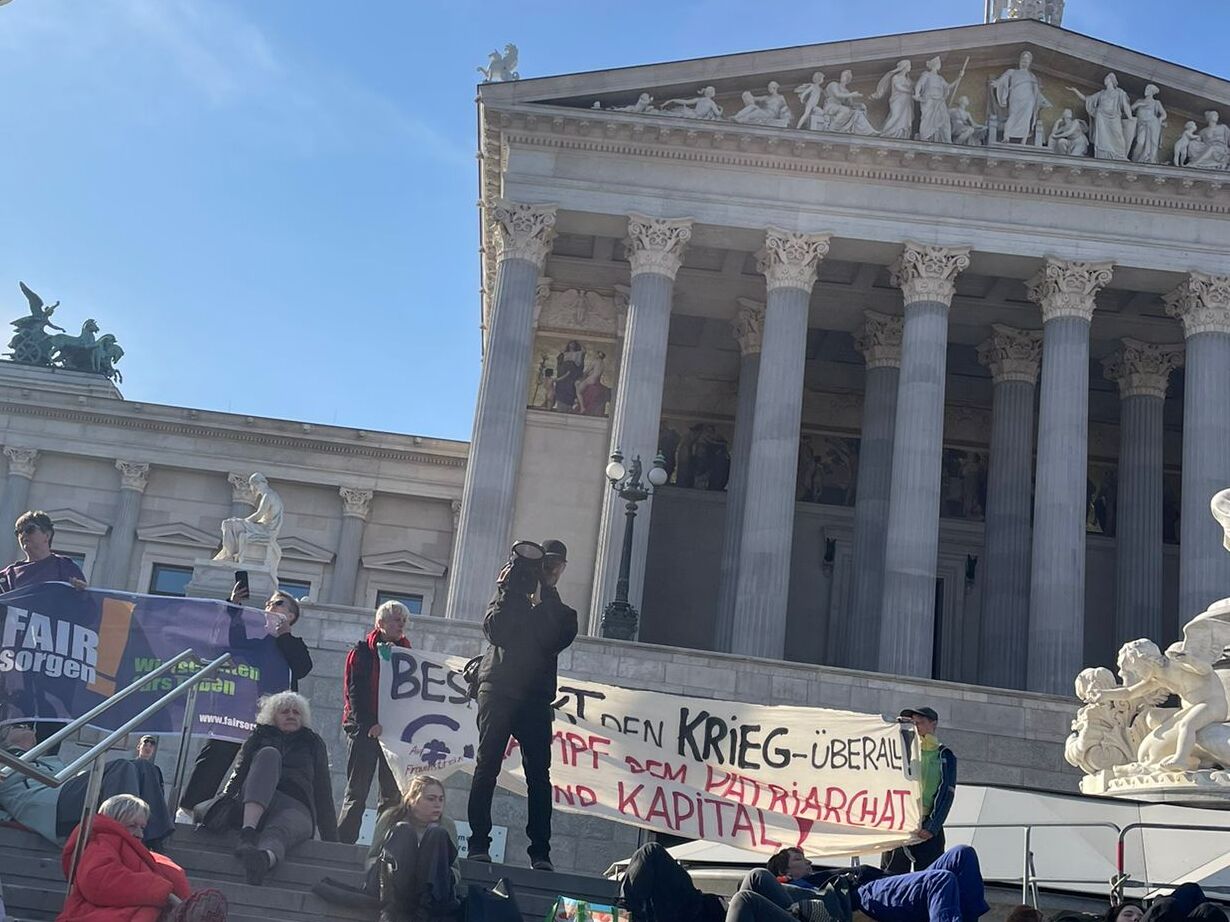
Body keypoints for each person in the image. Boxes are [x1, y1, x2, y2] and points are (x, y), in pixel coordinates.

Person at [467, 539, 577, 871]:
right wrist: (508, 590)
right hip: (499, 689)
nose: (548, 570)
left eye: (554, 565)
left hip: (533, 696)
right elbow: (496, 632)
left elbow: (552, 638)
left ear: (562, 569)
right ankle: (478, 844)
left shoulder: (560, 611)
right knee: (487, 766)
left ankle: (540, 852)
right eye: (544, 564)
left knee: (538, 775)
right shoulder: (508, 597)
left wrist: (545, 594)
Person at [178, 585, 312, 818]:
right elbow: (234, 641)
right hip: (239, 708)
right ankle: (190, 808)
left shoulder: (293, 644)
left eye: (278, 603)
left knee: (258, 763)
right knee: (217, 752)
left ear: (291, 615)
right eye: (269, 603)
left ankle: (241, 815)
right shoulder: (257, 640)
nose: (270, 606)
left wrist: (285, 637)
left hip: (271, 717)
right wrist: (234, 607)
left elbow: (302, 667)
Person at [622, 841, 988, 922]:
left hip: (862, 887)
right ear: (785, 873)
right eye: (800, 860)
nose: (809, 862)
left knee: (962, 854)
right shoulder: (778, 885)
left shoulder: (801, 883)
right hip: (857, 895)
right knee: (941, 880)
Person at [200, 691, 337, 885]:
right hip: (255, 798)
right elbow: (239, 773)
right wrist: (222, 802)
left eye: (296, 712)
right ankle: (247, 834)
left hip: (296, 805)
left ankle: (264, 859)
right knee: (269, 754)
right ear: (273, 716)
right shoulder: (259, 736)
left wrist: (332, 842)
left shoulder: (313, 743)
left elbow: (323, 791)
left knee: (281, 829)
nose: (291, 715)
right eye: (285, 711)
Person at [58, 794, 228, 922]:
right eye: (132, 826)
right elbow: (99, 880)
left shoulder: (135, 849)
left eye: (142, 828)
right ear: (113, 822)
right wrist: (163, 892)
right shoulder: (102, 842)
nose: (139, 834)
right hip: (106, 912)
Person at [0, 722, 172, 848]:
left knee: (144, 766)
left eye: (30, 726)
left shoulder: (49, 761)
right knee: (121, 767)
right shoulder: (3, 759)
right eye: (19, 725)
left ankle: (152, 843)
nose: (28, 728)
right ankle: (124, 841)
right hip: (49, 806)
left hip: (68, 796)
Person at [337, 600, 413, 843]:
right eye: (396, 620)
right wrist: (369, 723)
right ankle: (344, 842)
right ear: (380, 623)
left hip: (393, 733)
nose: (401, 625)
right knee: (357, 791)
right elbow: (355, 693)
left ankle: (382, 845)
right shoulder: (361, 653)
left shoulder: (409, 655)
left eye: (404, 621)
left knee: (391, 795)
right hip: (364, 731)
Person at [368, 774, 462, 922]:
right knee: (403, 830)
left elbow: (454, 869)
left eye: (441, 799)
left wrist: (433, 873)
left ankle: (426, 913)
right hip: (394, 888)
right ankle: (390, 911)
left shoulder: (446, 825)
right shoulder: (391, 817)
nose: (437, 804)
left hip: (430, 895)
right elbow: (372, 858)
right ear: (412, 800)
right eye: (431, 799)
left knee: (437, 833)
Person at [882, 706, 956, 873]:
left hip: (927, 822)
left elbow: (947, 793)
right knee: (892, 874)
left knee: (928, 875)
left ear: (933, 724)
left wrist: (932, 827)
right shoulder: (903, 750)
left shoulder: (944, 755)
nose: (916, 726)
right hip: (901, 822)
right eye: (913, 723)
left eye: (920, 722)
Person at [0, 510, 87, 593]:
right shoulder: (7, 576)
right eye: (18, 531)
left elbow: (84, 600)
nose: (23, 534)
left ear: (47, 535)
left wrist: (80, 591)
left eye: (29, 529)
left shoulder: (65, 567)